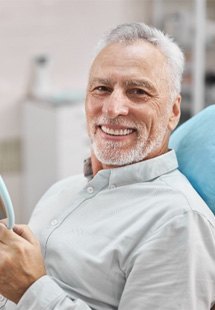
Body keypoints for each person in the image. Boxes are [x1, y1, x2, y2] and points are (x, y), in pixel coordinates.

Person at [0, 22, 215, 310]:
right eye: (101, 88)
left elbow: (25, 288)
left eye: (138, 92)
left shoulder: (178, 221)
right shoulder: (62, 190)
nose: (112, 109)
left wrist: (31, 289)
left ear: (173, 111)